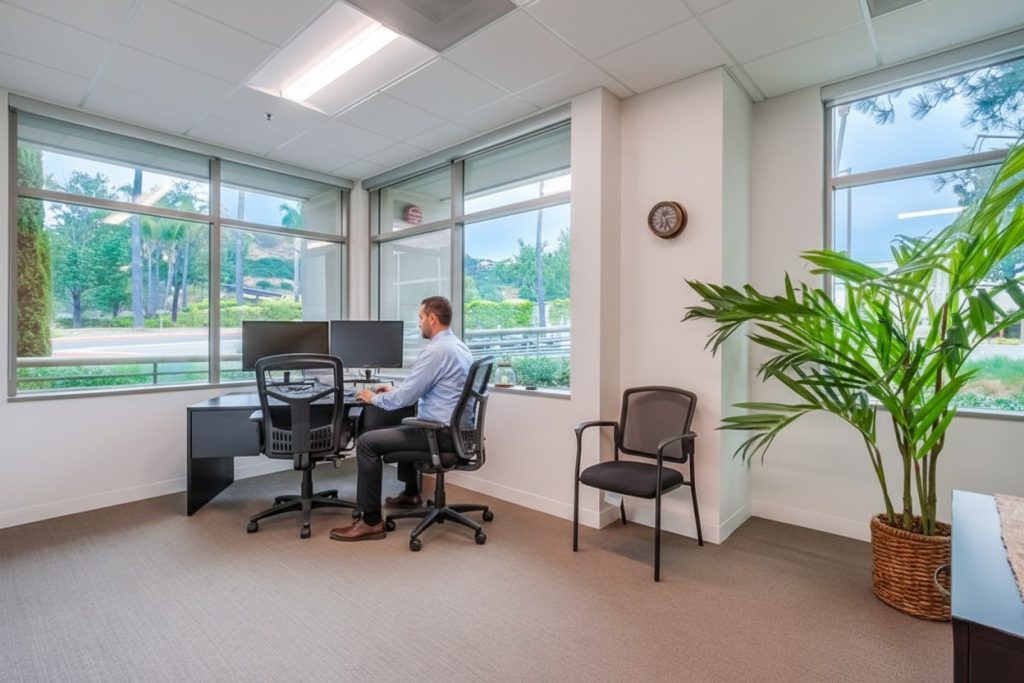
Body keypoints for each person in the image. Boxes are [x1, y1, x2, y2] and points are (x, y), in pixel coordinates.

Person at [330, 296, 472, 542]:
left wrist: (371, 397)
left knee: (367, 442)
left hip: (440, 435)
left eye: (420, 318)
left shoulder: (436, 351)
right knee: (407, 420)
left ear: (432, 318)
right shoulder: (458, 346)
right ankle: (411, 493)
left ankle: (371, 521)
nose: (419, 324)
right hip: (457, 433)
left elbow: (404, 398)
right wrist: (393, 390)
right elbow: (418, 390)